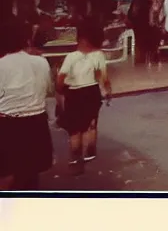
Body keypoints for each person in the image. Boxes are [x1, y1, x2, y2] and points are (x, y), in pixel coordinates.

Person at [0, 18, 54, 190]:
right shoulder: (41, 62)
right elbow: (47, 89)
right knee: (31, 174)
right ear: (26, 39)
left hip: (8, 123)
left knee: (6, 174)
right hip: (37, 123)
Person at [56, 18, 112, 175]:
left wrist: (59, 91)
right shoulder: (99, 55)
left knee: (75, 129)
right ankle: (90, 152)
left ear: (81, 39)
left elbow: (61, 79)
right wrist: (107, 92)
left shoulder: (72, 56)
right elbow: (103, 77)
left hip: (75, 92)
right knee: (91, 123)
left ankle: (75, 158)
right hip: (92, 91)